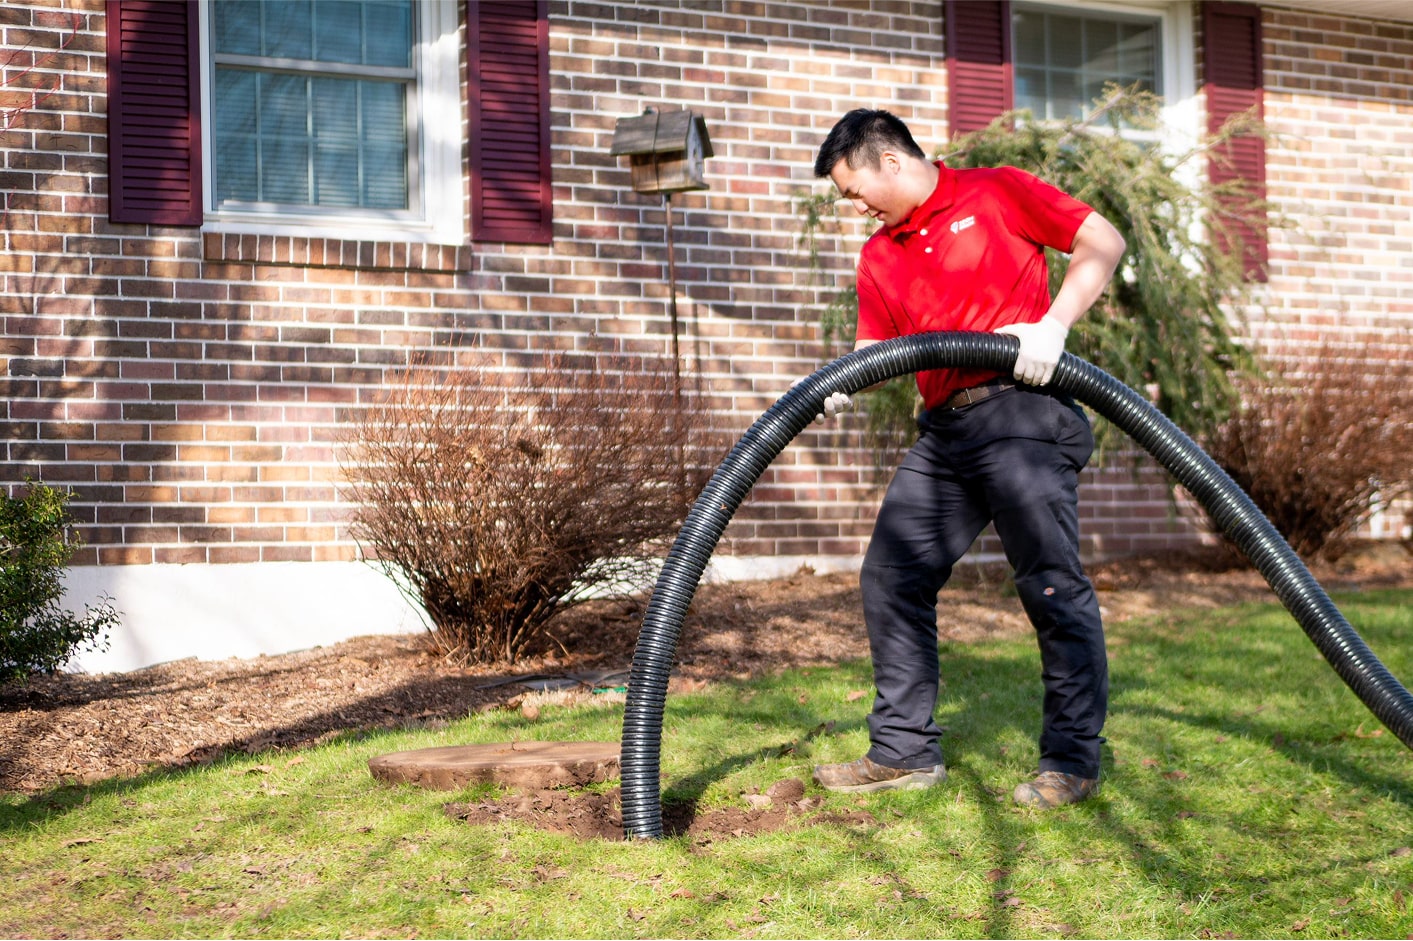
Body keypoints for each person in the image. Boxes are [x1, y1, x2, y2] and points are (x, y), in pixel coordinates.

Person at [808, 108, 1127, 809]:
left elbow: (1101, 239)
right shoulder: (877, 254)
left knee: (1048, 583)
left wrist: (1054, 325)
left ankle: (1070, 762)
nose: (850, 205)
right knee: (891, 575)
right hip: (946, 430)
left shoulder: (995, 191)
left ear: (889, 161)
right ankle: (902, 751)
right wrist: (838, 384)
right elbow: (875, 351)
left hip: (1020, 407)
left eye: (852, 188)